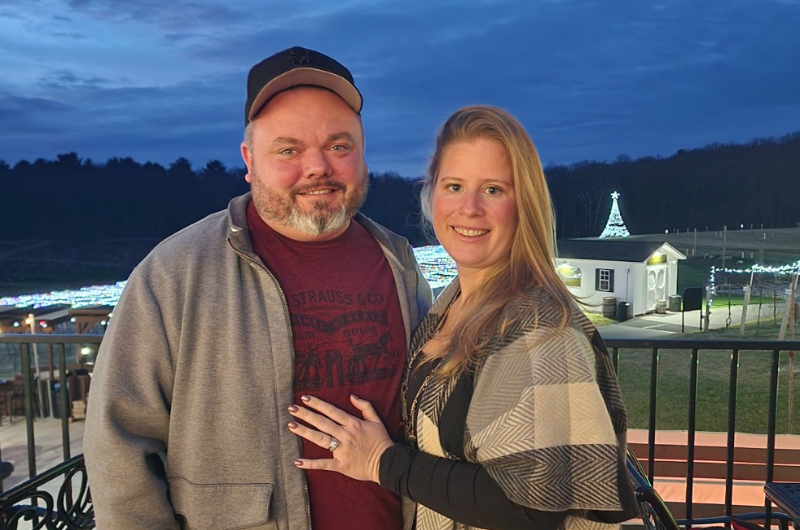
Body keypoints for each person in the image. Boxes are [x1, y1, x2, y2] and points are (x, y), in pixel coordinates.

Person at [83, 46, 432, 530]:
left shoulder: (399, 261)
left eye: (339, 146)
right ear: (249, 160)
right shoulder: (175, 273)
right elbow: (119, 443)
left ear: (362, 152)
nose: (318, 167)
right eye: (289, 150)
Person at [286, 105, 639, 530]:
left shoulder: (538, 329)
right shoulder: (447, 307)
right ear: (431, 195)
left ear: (523, 204)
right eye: (454, 186)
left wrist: (382, 461)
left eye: (493, 190)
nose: (469, 208)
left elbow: (531, 508)